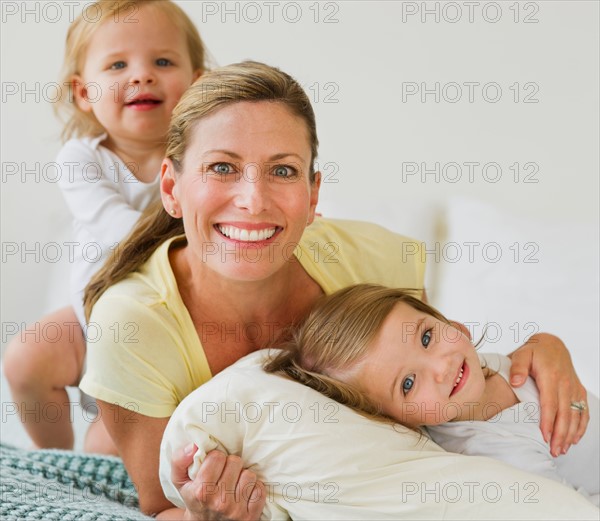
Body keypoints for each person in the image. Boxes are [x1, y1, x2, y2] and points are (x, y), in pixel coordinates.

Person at [79, 61, 588, 519]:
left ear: (313, 193)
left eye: (282, 170)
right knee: (99, 439)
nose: (253, 200)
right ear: (171, 187)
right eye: (222, 167)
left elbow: (441, 409)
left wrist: (544, 352)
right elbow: (160, 507)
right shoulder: (132, 326)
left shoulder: (375, 260)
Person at [3, 0, 205, 452]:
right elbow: (113, 226)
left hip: (165, 342)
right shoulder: (81, 159)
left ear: (198, 83)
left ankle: (99, 453)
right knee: (24, 360)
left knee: (109, 453)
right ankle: (54, 457)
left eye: (163, 61)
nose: (141, 75)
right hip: (88, 323)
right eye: (117, 64)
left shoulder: (204, 160)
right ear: (83, 93)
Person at [265, 283, 598, 504]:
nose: (441, 367)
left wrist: (545, 342)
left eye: (426, 338)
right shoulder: (489, 450)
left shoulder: (489, 366)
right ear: (400, 423)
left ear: (448, 322)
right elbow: (571, 509)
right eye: (408, 384)